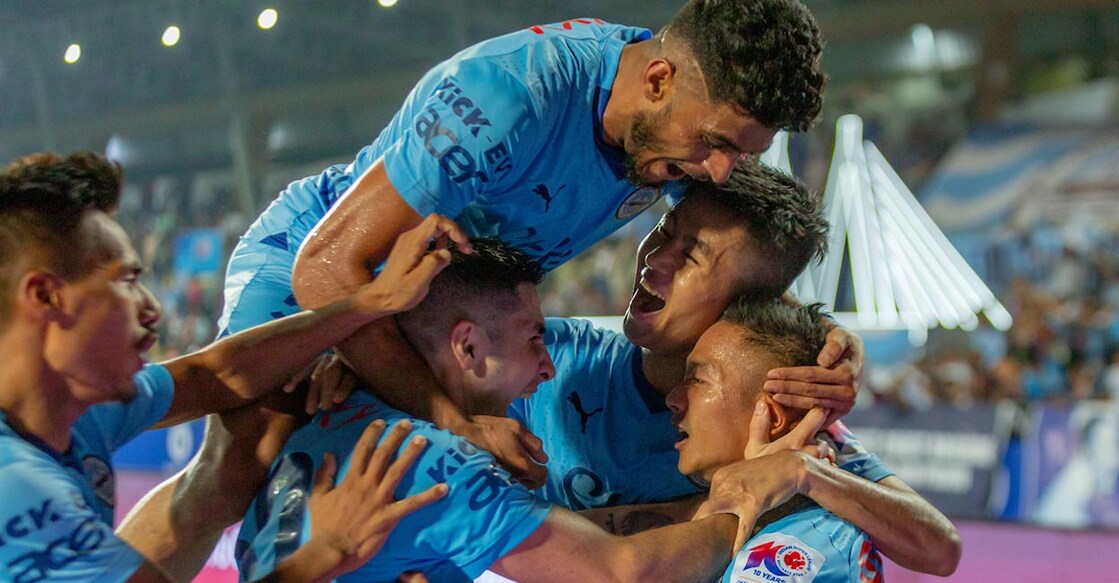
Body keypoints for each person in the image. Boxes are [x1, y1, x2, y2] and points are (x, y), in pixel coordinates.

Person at [217, 0, 828, 480]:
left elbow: (743, 255)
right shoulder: (509, 99)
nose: (721, 171)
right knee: (251, 453)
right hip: (318, 255)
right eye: (716, 144)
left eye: (742, 153)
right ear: (659, 80)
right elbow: (326, 269)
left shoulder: (679, 132)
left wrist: (824, 344)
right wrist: (453, 421)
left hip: (419, 311)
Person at [237, 238, 824, 582]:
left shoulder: (333, 408)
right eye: (533, 340)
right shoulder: (435, 461)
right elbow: (619, 571)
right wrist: (740, 505)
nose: (547, 368)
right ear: (468, 346)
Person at [0, 152, 456, 582]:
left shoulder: (78, 412)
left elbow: (215, 374)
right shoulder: (20, 491)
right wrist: (330, 547)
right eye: (126, 281)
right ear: (45, 296)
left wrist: (365, 305)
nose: (152, 308)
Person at [510, 159, 961, 575]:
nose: (655, 258)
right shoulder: (546, 356)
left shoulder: (770, 410)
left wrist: (804, 473)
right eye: (665, 232)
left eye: (691, 258)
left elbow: (939, 547)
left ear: (744, 302)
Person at [678, 300, 885, 582]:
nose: (674, 399)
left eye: (698, 380)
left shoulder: (794, 551)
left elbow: (940, 545)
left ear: (771, 417)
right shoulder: (799, 530)